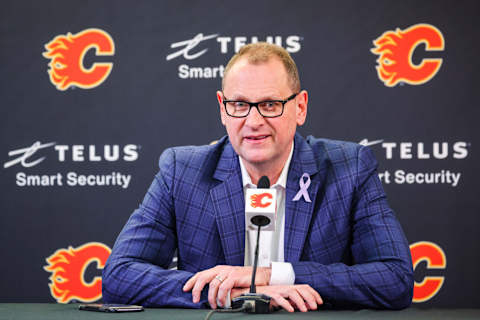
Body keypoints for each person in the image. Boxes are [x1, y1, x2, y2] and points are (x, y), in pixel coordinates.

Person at [102, 42, 413, 311]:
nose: (253, 121)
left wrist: (272, 275)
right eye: (239, 105)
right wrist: (234, 295)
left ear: (300, 107)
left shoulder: (350, 168)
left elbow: (395, 279)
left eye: (270, 105)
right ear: (223, 109)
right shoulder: (182, 170)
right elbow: (119, 276)